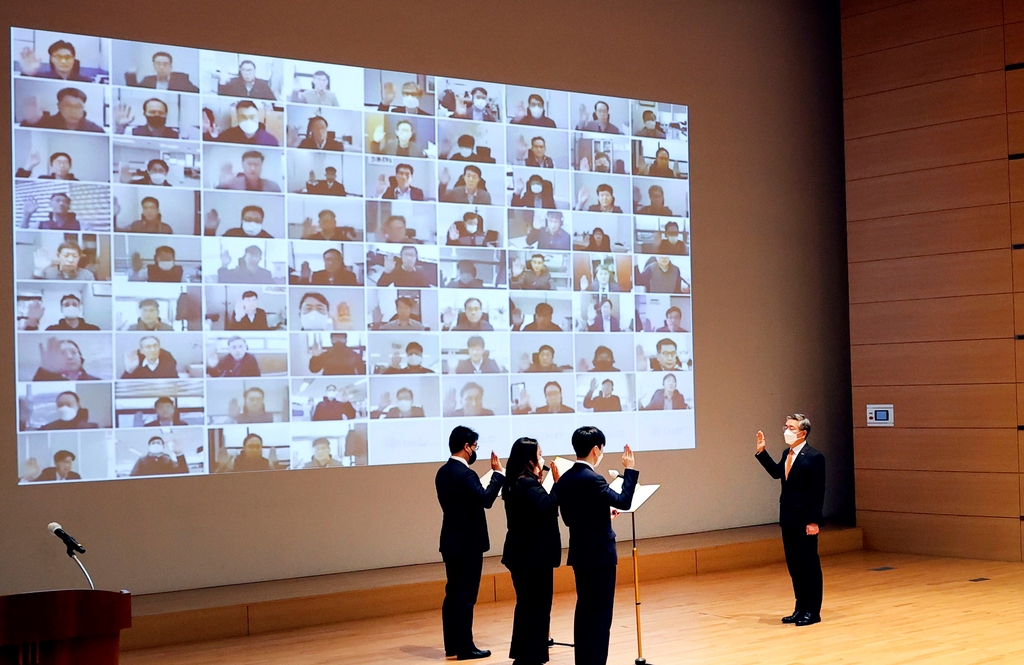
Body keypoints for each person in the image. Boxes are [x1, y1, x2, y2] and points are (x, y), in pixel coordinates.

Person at [556, 427, 638, 665]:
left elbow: (571, 518)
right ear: (595, 449)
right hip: (600, 556)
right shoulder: (594, 479)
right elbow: (624, 501)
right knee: (601, 617)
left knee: (584, 612)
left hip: (580, 554)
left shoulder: (567, 478)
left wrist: (602, 514)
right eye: (601, 448)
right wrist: (629, 469)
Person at [434, 426, 505, 661]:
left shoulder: (443, 472)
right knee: (465, 596)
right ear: (466, 447)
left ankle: (452, 646)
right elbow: (486, 499)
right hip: (468, 544)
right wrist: (498, 475)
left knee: (452, 593)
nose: (475, 451)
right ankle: (465, 647)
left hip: (450, 541)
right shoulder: (465, 474)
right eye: (475, 446)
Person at [755, 415, 826, 627]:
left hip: (805, 520)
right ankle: (800, 608)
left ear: (802, 433)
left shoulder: (815, 457)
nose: (786, 430)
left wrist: (813, 521)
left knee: (809, 566)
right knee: (795, 566)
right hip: (788, 519)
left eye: (791, 427)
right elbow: (777, 473)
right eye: (786, 426)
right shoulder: (788, 453)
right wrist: (762, 452)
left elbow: (818, 491)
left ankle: (813, 611)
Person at [501, 437, 561, 665]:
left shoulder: (516, 482)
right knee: (537, 607)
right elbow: (546, 508)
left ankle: (526, 655)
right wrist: (557, 483)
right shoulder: (526, 483)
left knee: (527, 606)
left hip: (523, 555)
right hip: (532, 557)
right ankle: (531, 658)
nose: (543, 458)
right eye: (539, 454)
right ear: (530, 459)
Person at [19, 87, 104, 132]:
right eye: (68, 106)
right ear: (59, 106)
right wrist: (30, 121)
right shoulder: (45, 124)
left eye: (78, 106)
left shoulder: (96, 130)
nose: (73, 111)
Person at [126, 51, 199, 91]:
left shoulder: (181, 78)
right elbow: (135, 90)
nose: (161, 67)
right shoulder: (148, 80)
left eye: (165, 64)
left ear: (171, 66)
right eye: (158, 64)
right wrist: (131, 75)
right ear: (154, 66)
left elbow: (196, 91)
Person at [32, 339, 99, 381]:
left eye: (73, 352)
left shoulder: (96, 381)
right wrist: (45, 370)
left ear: (80, 357)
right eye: (62, 353)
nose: (69, 357)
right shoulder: (45, 379)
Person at [217, 150, 281, 192]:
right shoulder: (230, 184)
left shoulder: (273, 187)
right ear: (243, 165)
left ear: (261, 166)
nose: (252, 168)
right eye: (249, 164)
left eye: (256, 164)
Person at [114, 97, 178, 138]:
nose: (157, 115)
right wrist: (120, 127)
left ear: (166, 114)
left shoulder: (176, 134)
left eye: (160, 113)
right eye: (152, 112)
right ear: (145, 114)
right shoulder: (132, 132)